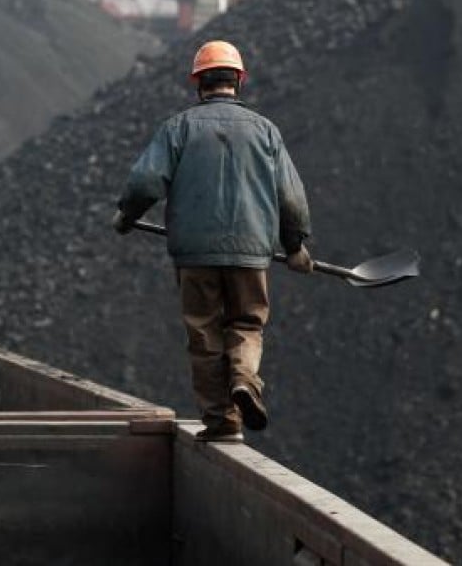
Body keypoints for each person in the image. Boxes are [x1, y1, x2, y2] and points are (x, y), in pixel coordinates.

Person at [111, 40, 312, 443]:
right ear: (238, 79)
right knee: (246, 323)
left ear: (198, 82)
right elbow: (290, 195)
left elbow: (145, 181)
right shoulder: (265, 131)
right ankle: (244, 380)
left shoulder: (179, 128)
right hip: (251, 251)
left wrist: (126, 215)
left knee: (204, 334)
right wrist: (295, 246)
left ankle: (222, 420)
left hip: (195, 252)